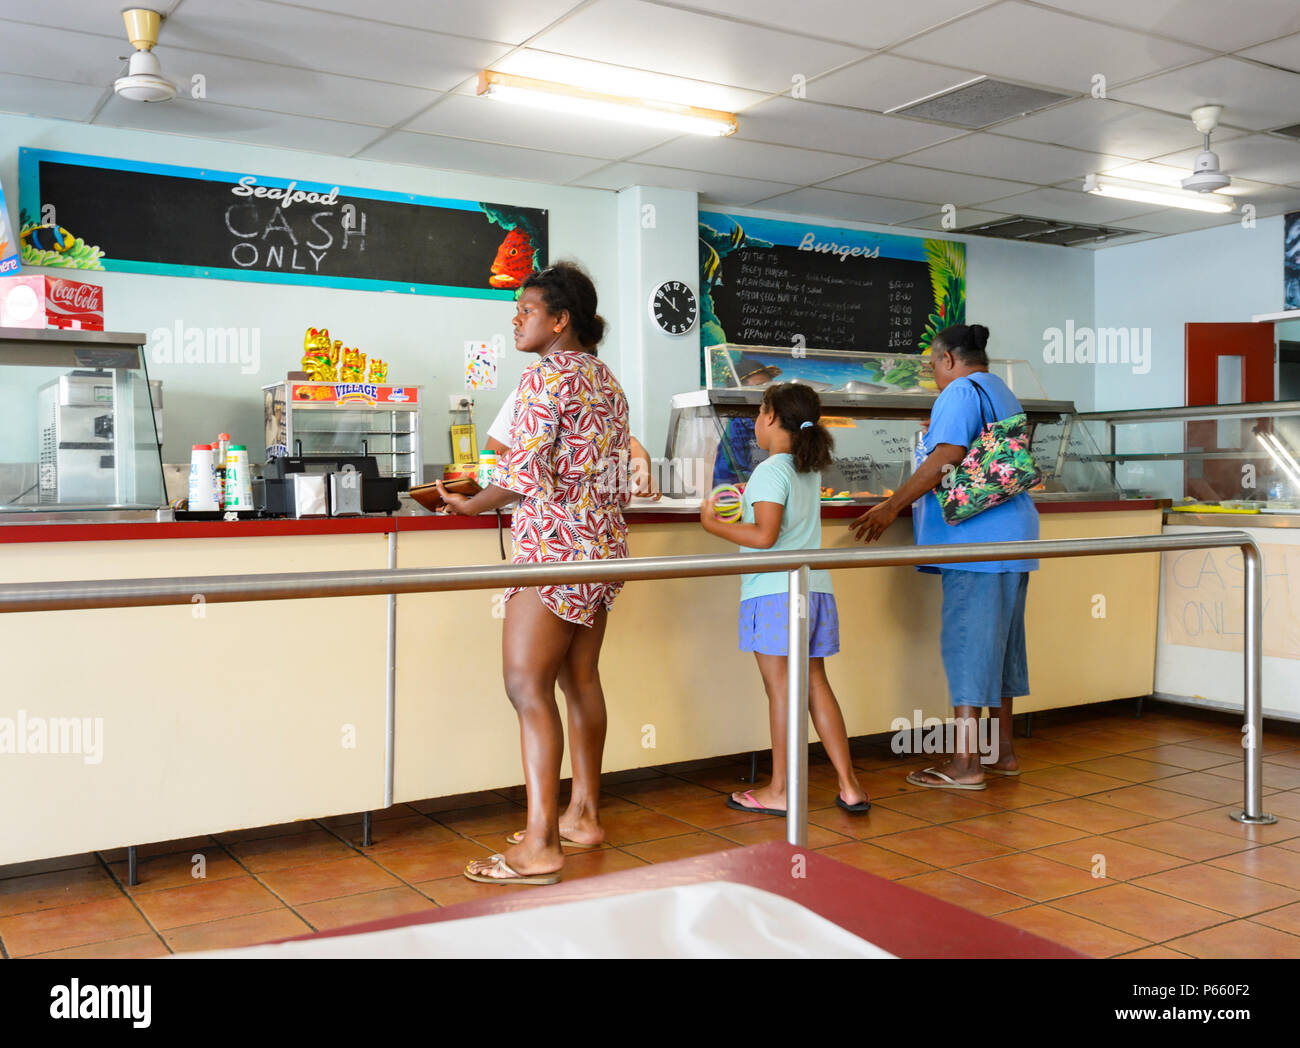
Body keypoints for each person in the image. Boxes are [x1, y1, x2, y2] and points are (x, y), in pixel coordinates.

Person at [438, 262, 630, 884]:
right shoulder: (607, 381)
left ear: (560, 319)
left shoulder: (547, 375)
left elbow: (523, 475)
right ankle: (583, 815)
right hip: (600, 550)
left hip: (553, 551)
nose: (516, 318)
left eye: (525, 310)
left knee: (526, 688)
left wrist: (468, 502)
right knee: (581, 682)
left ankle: (541, 843)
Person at [851, 324, 1037, 789]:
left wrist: (890, 506)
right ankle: (1004, 752)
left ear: (949, 359)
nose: (934, 374)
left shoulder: (957, 391)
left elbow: (949, 455)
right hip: (1015, 536)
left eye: (933, 365)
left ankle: (966, 763)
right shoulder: (999, 389)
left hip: (977, 542)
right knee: (1001, 649)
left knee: (968, 646)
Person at [699, 382, 870, 816]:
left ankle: (780, 790)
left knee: (780, 691)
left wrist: (713, 525)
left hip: (776, 594)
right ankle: (850, 786)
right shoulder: (804, 469)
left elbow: (765, 536)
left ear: (771, 416)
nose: (755, 421)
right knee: (816, 685)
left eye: (758, 411)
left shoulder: (771, 470)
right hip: (813, 590)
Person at [486, 386, 658, 498]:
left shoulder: (599, 398)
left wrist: (641, 472)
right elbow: (491, 457)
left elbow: (633, 446)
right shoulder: (527, 394)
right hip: (541, 515)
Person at [712, 356, 782, 487]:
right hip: (736, 498)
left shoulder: (777, 420)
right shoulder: (735, 423)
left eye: (769, 385)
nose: (766, 392)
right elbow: (733, 471)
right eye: (760, 386)